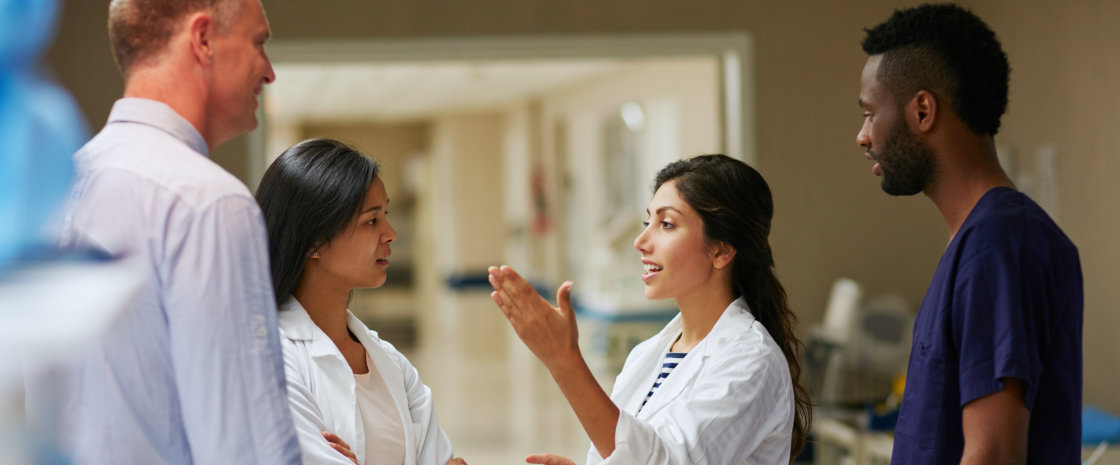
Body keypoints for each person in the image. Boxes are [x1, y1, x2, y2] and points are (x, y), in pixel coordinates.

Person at [44, 0, 301, 463]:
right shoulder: (209, 204)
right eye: (258, 43)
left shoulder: (57, 189)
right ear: (203, 39)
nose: (269, 72)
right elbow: (243, 449)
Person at [856, 4, 1083, 464]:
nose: (863, 136)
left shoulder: (1000, 244)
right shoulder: (980, 240)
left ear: (923, 110)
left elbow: (994, 453)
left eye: (870, 113)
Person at [488, 154, 811, 465]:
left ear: (721, 250)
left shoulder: (751, 360)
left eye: (666, 224)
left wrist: (565, 361)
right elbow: (631, 452)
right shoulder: (647, 355)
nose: (641, 241)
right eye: (648, 221)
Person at [256, 138, 465, 465]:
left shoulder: (390, 363)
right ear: (313, 240)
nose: (391, 233)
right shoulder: (272, 361)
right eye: (372, 221)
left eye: (386, 215)